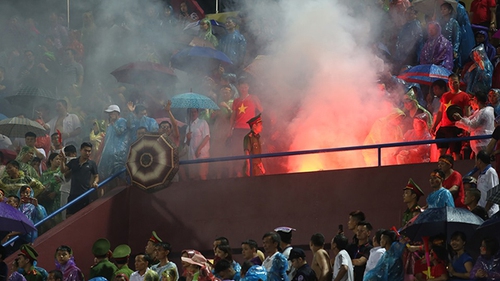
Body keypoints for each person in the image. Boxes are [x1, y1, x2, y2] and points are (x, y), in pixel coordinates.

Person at [431, 74, 470, 160]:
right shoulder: (445, 96)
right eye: (451, 83)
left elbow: (467, 113)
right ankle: (440, 170)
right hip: (444, 127)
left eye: (455, 82)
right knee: (441, 151)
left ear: (459, 83)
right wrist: (434, 126)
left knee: (456, 152)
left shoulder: (464, 96)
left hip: (456, 127)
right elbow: (440, 112)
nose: (453, 85)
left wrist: (466, 128)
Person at [60, 142, 98, 215]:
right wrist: (62, 161)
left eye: (89, 151)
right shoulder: (73, 162)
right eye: (85, 150)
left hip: (85, 195)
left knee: (83, 216)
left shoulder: (92, 164)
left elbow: (96, 176)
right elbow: (63, 170)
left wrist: (95, 182)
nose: (87, 153)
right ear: (81, 150)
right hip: (73, 194)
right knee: (69, 216)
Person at [99, 105, 129, 180]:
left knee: (119, 175)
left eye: (111, 113)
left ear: (116, 113)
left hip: (119, 154)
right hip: (110, 154)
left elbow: (120, 132)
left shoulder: (122, 121)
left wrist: (113, 124)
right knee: (109, 175)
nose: (110, 115)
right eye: (109, 114)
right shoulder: (110, 125)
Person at [185, 108, 210, 180]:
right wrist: (188, 138)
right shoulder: (188, 127)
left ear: (197, 113)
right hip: (192, 156)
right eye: (191, 112)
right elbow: (187, 144)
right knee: (193, 177)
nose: (193, 113)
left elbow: (207, 137)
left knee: (202, 175)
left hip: (202, 154)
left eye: (194, 111)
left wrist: (198, 149)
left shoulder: (203, 122)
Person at [476, 150, 500, 217]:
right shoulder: (481, 174)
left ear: (479, 161)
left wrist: (485, 211)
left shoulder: (491, 172)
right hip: (483, 212)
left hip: (491, 213)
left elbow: (493, 193)